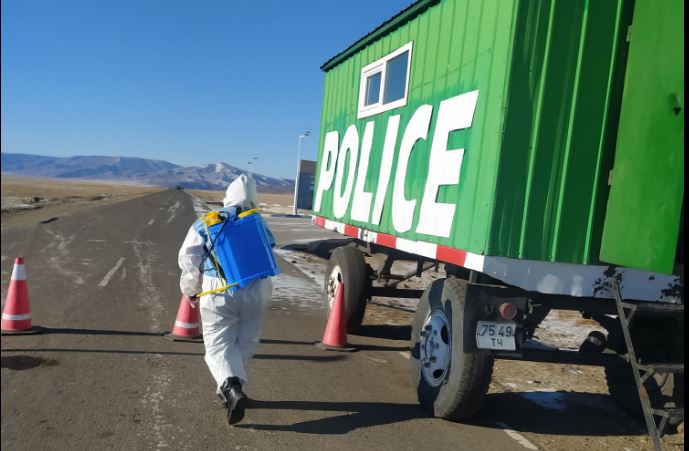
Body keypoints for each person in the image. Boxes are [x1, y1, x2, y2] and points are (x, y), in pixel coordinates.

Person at [178, 173, 274, 425]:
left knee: (218, 343)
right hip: (257, 288)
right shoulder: (258, 222)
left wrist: (189, 289)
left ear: (227, 197)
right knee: (246, 341)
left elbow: (188, 258)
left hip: (218, 289)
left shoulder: (206, 222)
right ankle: (231, 391)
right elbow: (270, 248)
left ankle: (230, 387)